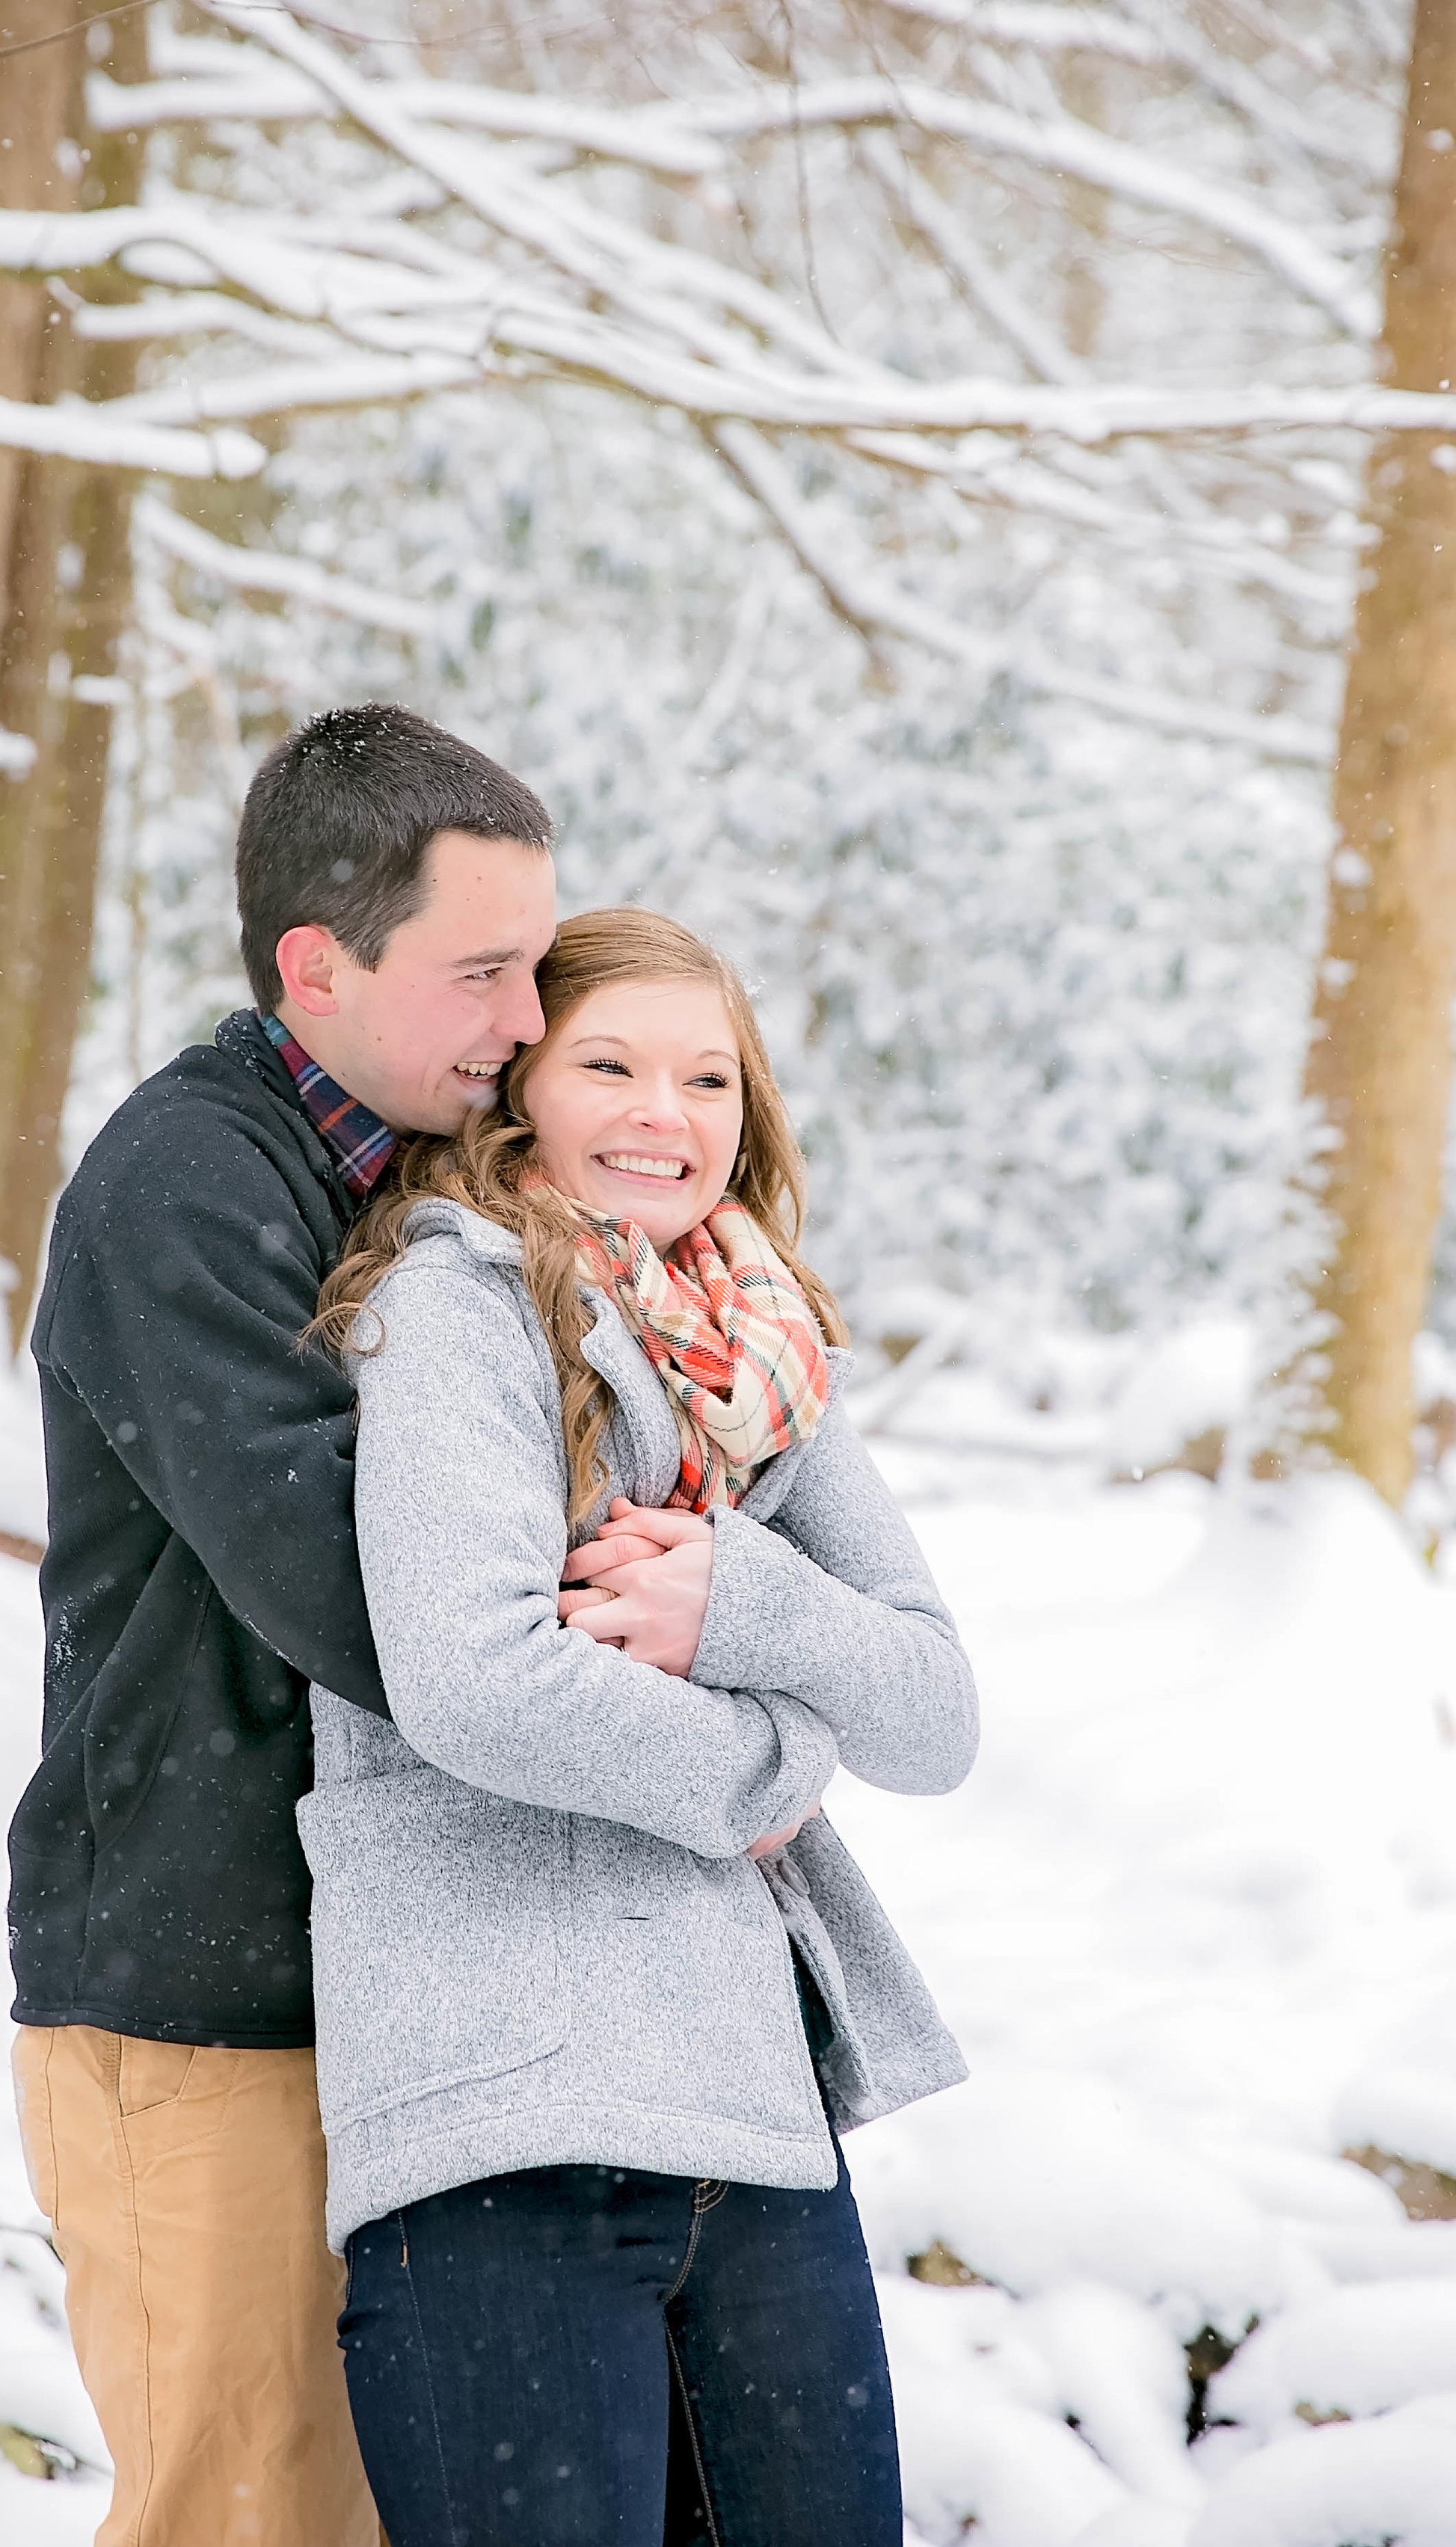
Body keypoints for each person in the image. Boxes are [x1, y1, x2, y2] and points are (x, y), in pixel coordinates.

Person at [305, 906, 978, 2546]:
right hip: (499, 2104)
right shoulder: (449, 1308)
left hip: (749, 2128)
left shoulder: (760, 1355)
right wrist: (769, 1759)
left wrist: (740, 1600)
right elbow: (480, 1682)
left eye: (707, 1080)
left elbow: (932, 1709)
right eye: (608, 1064)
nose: (660, 1117)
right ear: (519, 1082)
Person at [6, 704, 556, 2547]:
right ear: (314, 966)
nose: (531, 1025)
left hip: (393, 1990)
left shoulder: (423, 1178)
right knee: (246, 2521)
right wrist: (675, 1674)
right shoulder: (185, 1186)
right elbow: (369, 1593)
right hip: (199, 2004)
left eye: (539, 965)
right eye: (483, 972)